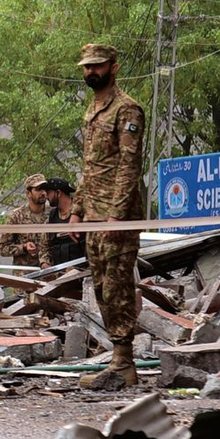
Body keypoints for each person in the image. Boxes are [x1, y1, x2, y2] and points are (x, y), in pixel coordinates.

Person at [73, 43, 145, 389]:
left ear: (113, 67)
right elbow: (91, 167)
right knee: (101, 287)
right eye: (87, 67)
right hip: (93, 216)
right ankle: (118, 359)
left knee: (118, 287)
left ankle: (123, 362)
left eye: (97, 66)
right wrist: (76, 210)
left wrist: (117, 216)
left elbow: (129, 166)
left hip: (116, 217)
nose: (91, 72)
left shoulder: (126, 109)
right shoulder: (93, 110)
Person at [0, 173, 53, 268]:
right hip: (25, 273)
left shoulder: (53, 213)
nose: (43, 193)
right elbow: (2, 248)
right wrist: (24, 247)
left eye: (44, 189)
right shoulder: (16, 216)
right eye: (38, 189)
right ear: (28, 193)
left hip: (50, 271)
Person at [45, 177, 86, 267]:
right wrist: (45, 263)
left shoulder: (80, 213)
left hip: (83, 270)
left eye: (48, 193)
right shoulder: (52, 216)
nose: (46, 197)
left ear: (58, 193)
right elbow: (44, 245)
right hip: (59, 270)